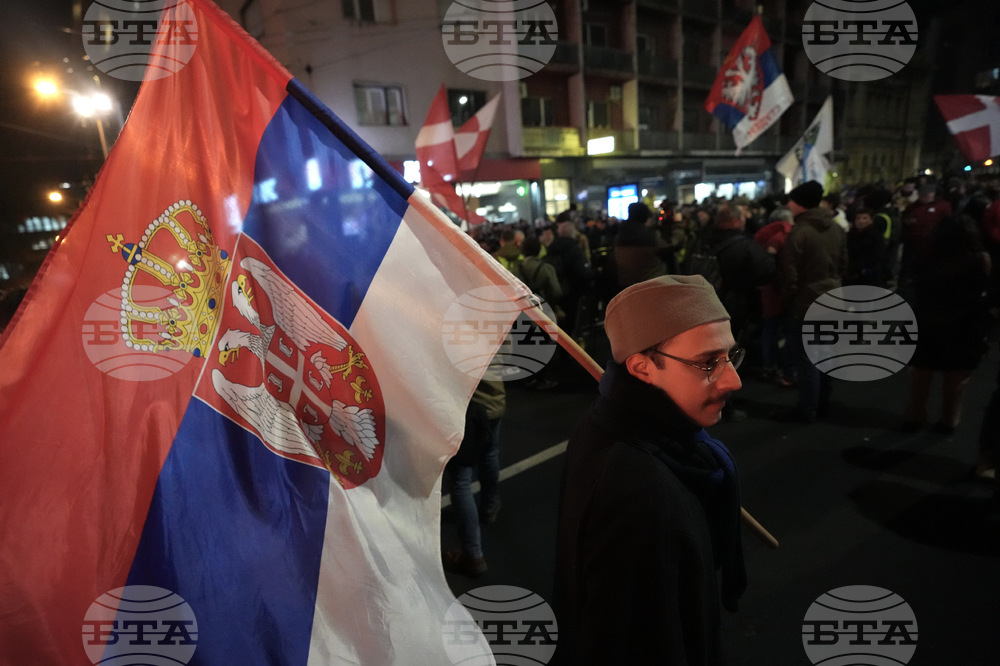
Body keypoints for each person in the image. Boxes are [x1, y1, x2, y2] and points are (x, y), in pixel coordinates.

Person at [554, 274, 747, 665]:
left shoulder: (611, 426)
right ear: (642, 368)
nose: (734, 380)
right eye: (709, 362)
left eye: (731, 355)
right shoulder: (643, 495)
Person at [776, 180, 847, 423]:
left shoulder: (800, 232)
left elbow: (790, 273)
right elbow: (844, 263)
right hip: (833, 298)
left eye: (792, 201)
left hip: (808, 302)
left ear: (800, 204)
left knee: (807, 357)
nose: (788, 205)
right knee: (826, 352)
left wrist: (789, 299)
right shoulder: (836, 229)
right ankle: (824, 402)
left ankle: (807, 408)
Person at [443, 379, 505, 576]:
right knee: (490, 454)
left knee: (461, 479)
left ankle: (473, 554)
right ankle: (488, 507)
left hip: (468, 408)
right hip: (494, 400)